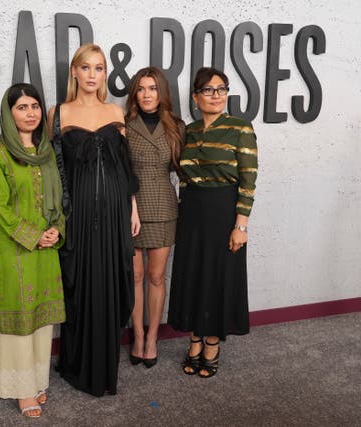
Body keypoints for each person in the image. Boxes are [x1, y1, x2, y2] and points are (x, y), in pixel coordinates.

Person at [48, 43, 140, 396]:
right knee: (80, 283)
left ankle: (105, 364)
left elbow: (124, 166)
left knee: (112, 280)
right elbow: (52, 169)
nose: (91, 75)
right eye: (85, 67)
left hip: (116, 209)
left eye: (98, 68)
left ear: (104, 74)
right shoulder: (58, 112)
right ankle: (77, 364)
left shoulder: (116, 112)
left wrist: (132, 208)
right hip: (79, 214)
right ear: (74, 71)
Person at [0, 83, 66, 417]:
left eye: (34, 107)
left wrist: (56, 229)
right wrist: (33, 235)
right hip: (15, 249)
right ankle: (20, 390)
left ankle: (37, 381)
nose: (30, 113)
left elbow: (58, 200)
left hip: (46, 249)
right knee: (20, 319)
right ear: (9, 112)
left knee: (42, 319)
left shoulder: (46, 154)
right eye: (22, 107)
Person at [168, 67, 258, 378]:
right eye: (208, 90)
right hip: (192, 212)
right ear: (195, 97)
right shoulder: (188, 131)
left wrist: (240, 225)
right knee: (193, 275)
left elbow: (248, 180)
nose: (216, 95)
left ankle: (212, 343)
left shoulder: (240, 128)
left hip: (223, 213)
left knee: (219, 276)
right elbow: (182, 177)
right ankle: (194, 337)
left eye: (221, 89)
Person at [124, 67, 185, 368]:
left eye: (153, 88)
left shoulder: (176, 126)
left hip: (162, 206)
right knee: (134, 276)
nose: (147, 94)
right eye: (141, 89)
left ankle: (152, 338)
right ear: (135, 93)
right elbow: (119, 171)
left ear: (162, 93)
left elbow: (184, 169)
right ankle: (136, 336)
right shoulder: (123, 125)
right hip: (131, 207)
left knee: (156, 277)